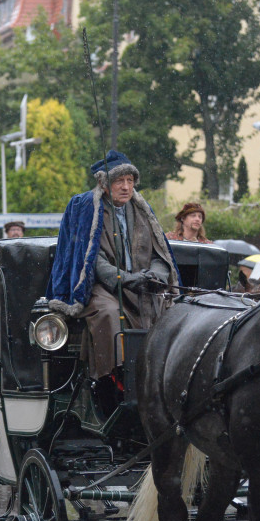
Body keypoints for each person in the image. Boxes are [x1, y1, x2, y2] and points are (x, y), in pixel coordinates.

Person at [47, 150, 179, 405]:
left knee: (169, 312)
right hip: (101, 287)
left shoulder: (142, 209)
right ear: (104, 184)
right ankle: (116, 379)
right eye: (120, 181)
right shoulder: (87, 206)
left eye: (130, 181)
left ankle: (164, 375)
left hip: (143, 285)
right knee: (108, 312)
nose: (126, 187)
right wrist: (125, 279)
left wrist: (154, 275)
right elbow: (89, 258)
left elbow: (160, 253)